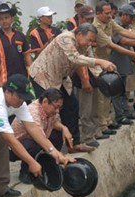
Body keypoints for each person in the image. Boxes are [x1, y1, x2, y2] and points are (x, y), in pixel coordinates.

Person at [29, 23, 116, 153]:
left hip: (61, 78)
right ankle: (47, 148)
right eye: (89, 40)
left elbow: (90, 63)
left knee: (72, 105)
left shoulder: (85, 45)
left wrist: (106, 75)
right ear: (80, 34)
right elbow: (75, 58)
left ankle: (74, 144)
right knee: (48, 111)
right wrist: (101, 61)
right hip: (43, 76)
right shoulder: (66, 38)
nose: (90, 44)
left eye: (93, 41)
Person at [93, 1, 135, 137]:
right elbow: (112, 45)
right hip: (97, 63)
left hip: (107, 62)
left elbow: (122, 31)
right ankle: (102, 125)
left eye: (110, 13)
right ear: (98, 14)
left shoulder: (109, 22)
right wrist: (134, 55)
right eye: (107, 13)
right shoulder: (96, 27)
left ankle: (107, 121)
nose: (110, 16)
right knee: (102, 96)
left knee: (108, 94)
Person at [10, 88, 75, 184]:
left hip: (36, 139)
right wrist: (60, 155)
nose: (57, 111)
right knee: (33, 144)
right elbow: (40, 138)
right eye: (56, 107)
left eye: (59, 108)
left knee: (57, 135)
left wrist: (64, 128)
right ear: (45, 101)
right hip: (14, 147)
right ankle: (25, 172)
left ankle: (47, 165)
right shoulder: (33, 112)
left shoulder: (49, 110)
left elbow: (54, 122)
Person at [69, 5, 110, 146]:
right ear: (80, 18)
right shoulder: (74, 37)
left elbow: (91, 58)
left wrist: (100, 74)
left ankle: (95, 132)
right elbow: (78, 62)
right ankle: (87, 137)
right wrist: (85, 80)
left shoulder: (89, 34)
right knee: (86, 109)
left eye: (91, 19)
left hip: (91, 74)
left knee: (94, 106)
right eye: (87, 18)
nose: (90, 21)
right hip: (81, 76)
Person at [110, 4, 135, 126]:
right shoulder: (115, 26)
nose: (132, 20)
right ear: (124, 15)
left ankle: (126, 112)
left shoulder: (125, 27)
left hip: (124, 62)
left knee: (123, 90)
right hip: (116, 63)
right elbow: (124, 41)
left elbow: (129, 44)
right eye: (130, 17)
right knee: (117, 91)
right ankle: (120, 115)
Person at [0, 3, 32, 87]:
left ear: (12, 19)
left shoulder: (20, 35)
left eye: (6, 17)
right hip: (5, 80)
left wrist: (32, 74)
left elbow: (27, 56)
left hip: (22, 77)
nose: (4, 21)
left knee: (25, 99)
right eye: (1, 19)